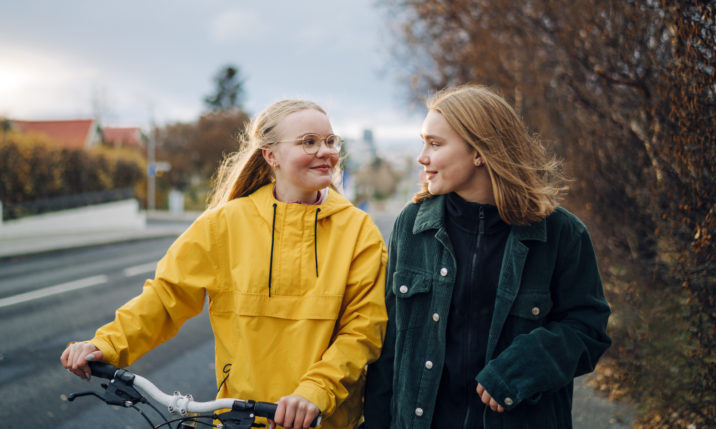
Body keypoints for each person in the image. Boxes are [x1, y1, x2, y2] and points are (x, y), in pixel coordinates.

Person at [61, 99, 388, 429]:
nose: (326, 151)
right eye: (309, 141)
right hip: (240, 420)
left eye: (331, 141)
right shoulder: (224, 224)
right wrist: (108, 343)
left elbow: (364, 329)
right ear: (270, 155)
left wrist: (317, 390)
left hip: (325, 421)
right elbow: (164, 298)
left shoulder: (359, 231)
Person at [363, 84, 611, 428]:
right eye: (423, 142)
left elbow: (588, 328)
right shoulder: (412, 225)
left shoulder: (560, 233)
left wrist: (520, 369)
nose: (422, 157)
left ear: (479, 152)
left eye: (435, 144)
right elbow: (391, 348)